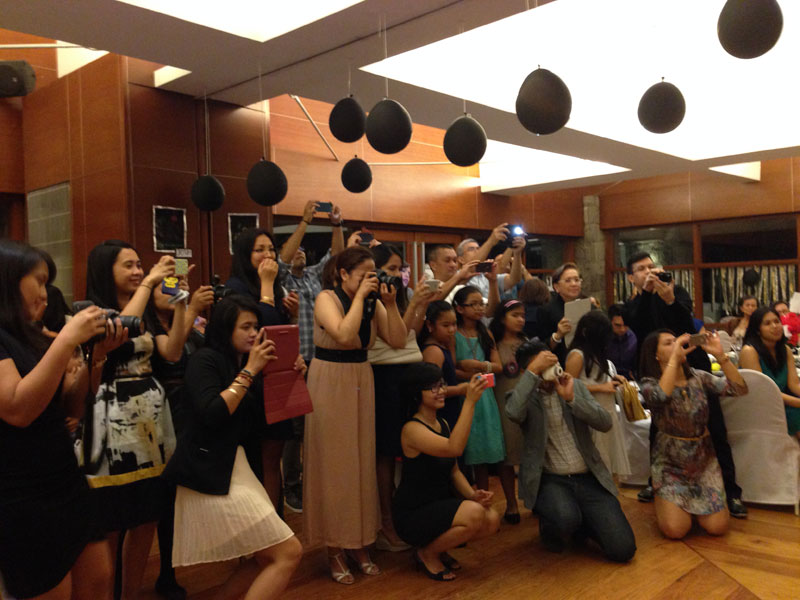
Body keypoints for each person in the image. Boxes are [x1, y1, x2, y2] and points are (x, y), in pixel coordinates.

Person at [0, 240, 121, 600]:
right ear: (8, 280)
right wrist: (67, 339)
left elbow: (71, 406)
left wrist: (97, 357)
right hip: (22, 492)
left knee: (99, 578)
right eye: (39, 281)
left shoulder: (33, 336)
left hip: (64, 478)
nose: (46, 294)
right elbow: (18, 409)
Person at [163, 295, 302, 599]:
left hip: (236, 465)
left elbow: (275, 414)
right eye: (245, 327)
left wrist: (290, 375)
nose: (254, 333)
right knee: (288, 552)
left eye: (256, 327)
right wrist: (250, 371)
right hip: (208, 469)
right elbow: (213, 412)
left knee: (266, 555)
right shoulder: (205, 360)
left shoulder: (245, 363)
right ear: (226, 329)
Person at [84, 239, 190, 600]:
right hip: (111, 420)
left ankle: (129, 593)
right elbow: (118, 331)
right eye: (128, 265)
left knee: (148, 516)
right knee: (112, 522)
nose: (138, 271)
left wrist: (181, 301)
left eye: (139, 265)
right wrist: (149, 283)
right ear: (105, 269)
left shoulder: (145, 312)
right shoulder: (91, 312)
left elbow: (172, 351)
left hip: (151, 419)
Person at [303, 246, 407, 584]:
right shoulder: (326, 299)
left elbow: (397, 339)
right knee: (335, 465)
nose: (369, 281)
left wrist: (390, 303)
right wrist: (362, 297)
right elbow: (345, 335)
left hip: (361, 377)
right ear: (343, 274)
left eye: (372, 276)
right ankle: (334, 547)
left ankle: (359, 542)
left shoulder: (374, 301)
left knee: (361, 463)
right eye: (362, 276)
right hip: (330, 378)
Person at [624, 252, 745, 517]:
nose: (649, 272)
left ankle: (731, 491)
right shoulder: (633, 305)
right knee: (659, 430)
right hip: (659, 373)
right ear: (631, 278)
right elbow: (640, 328)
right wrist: (648, 294)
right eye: (641, 269)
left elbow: (687, 326)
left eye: (651, 266)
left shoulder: (675, 292)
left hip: (693, 367)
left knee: (715, 427)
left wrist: (669, 299)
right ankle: (656, 483)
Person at [505, 340, 636, 562]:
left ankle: (584, 523)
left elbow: (604, 423)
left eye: (550, 363)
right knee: (565, 517)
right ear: (527, 372)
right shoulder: (521, 396)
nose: (549, 370)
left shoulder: (574, 386)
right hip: (550, 480)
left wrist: (572, 399)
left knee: (623, 549)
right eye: (541, 366)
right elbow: (513, 412)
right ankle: (553, 526)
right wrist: (533, 373)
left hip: (588, 476)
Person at [392, 363, 499, 581]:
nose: (440, 391)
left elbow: (454, 470)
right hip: (413, 512)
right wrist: (469, 401)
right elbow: (454, 448)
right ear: (416, 393)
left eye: (441, 385)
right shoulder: (411, 430)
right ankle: (427, 553)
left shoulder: (442, 423)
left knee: (492, 519)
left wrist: (472, 495)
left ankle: (438, 549)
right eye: (432, 387)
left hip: (438, 504)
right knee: (474, 514)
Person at [638, 330, 747, 540]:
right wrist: (674, 360)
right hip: (669, 464)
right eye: (669, 343)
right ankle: (670, 502)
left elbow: (739, 389)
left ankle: (690, 507)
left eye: (677, 341)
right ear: (655, 355)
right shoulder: (649, 383)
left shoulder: (698, 377)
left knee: (718, 527)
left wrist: (720, 356)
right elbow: (660, 396)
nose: (677, 345)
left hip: (703, 461)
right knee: (676, 530)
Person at [226, 228, 304, 512]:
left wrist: (292, 314)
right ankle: (263, 523)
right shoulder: (236, 287)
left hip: (276, 379)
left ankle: (275, 522)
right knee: (258, 461)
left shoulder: (273, 285)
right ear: (245, 255)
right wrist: (268, 285)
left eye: (271, 249)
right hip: (250, 381)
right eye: (259, 250)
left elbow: (281, 335)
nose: (268, 255)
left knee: (273, 458)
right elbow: (261, 330)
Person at [276, 201, 345, 514]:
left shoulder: (316, 277)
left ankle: (314, 481)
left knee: (318, 425)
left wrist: (336, 225)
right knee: (294, 431)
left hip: (320, 362)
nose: (300, 252)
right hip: (293, 364)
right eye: (295, 249)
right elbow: (281, 261)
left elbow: (337, 257)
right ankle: (291, 486)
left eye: (304, 250)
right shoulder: (281, 281)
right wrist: (304, 221)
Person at [150, 274, 214, 600]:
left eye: (176, 285)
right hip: (161, 414)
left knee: (178, 495)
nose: (173, 290)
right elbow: (170, 354)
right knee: (165, 497)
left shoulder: (189, 320)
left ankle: (173, 567)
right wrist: (189, 310)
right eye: (165, 286)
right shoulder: (148, 327)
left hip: (189, 411)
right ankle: (166, 572)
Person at [369, 243, 435, 551]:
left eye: (400, 268)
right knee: (386, 451)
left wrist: (419, 302)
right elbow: (395, 338)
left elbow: (411, 331)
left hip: (408, 373)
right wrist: (411, 303)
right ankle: (386, 520)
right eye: (391, 268)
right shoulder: (373, 300)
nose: (397, 274)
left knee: (408, 447)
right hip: (385, 376)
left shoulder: (397, 296)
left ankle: (408, 513)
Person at [565, 312, 632, 478]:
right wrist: (601, 387)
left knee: (607, 465)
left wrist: (613, 379)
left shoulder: (596, 353)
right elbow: (567, 389)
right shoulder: (577, 355)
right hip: (590, 416)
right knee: (596, 465)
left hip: (605, 412)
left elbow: (595, 378)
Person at [452, 285, 505, 490]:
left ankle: (484, 495)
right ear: (459, 308)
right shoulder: (454, 333)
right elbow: (453, 369)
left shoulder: (485, 333)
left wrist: (479, 366)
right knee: (466, 445)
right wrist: (471, 373)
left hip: (485, 395)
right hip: (462, 392)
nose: (479, 308)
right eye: (473, 304)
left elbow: (498, 366)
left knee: (484, 448)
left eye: (481, 304)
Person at [488, 299, 528, 524]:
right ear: (502, 318)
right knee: (507, 456)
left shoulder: (527, 342)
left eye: (523, 315)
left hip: (529, 402)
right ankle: (511, 504)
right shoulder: (493, 344)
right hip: (503, 402)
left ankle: (534, 499)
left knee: (530, 452)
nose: (521, 320)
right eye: (515, 315)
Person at [739, 307, 800, 438]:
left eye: (777, 321)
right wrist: (797, 402)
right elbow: (763, 391)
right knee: (796, 414)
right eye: (767, 323)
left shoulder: (785, 350)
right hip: (760, 404)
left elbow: (794, 385)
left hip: (782, 401)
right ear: (757, 330)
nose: (775, 326)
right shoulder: (749, 351)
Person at [419, 301, 469, 431]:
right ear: (430, 325)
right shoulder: (433, 351)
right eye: (445, 325)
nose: (452, 330)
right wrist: (459, 389)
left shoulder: (443, 346)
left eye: (454, 324)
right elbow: (431, 390)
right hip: (441, 413)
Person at [536, 262, 592, 365]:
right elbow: (540, 349)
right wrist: (558, 335)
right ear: (557, 287)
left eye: (577, 280)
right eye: (568, 280)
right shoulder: (547, 310)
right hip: (560, 363)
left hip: (588, 362)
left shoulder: (589, 306)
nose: (574, 284)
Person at [607, 303, 637, 380]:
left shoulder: (632, 337)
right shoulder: (603, 338)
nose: (622, 329)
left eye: (626, 325)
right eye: (618, 325)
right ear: (609, 322)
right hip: (608, 378)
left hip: (628, 379)